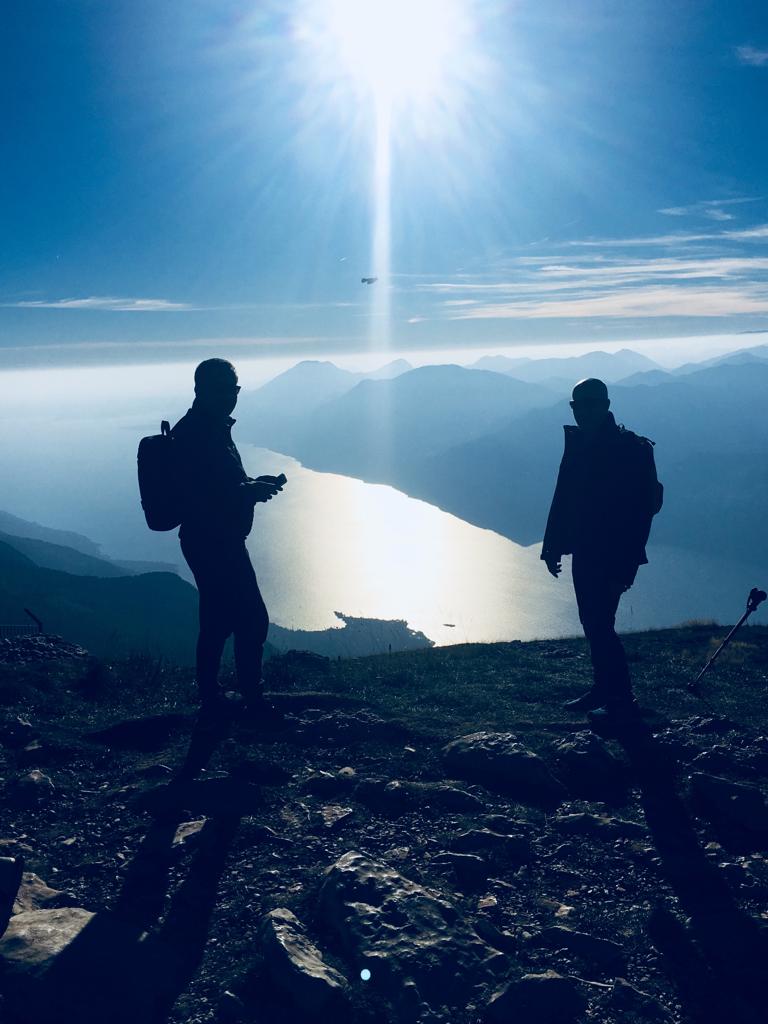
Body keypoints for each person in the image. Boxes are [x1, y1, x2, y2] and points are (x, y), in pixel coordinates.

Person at [541, 378, 662, 715]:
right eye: (577, 405)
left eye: (590, 404)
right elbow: (563, 499)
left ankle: (620, 698)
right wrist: (552, 547)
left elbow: (641, 515)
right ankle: (604, 689)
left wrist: (626, 568)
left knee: (600, 623)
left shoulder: (632, 449)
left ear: (606, 405)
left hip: (613, 556)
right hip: (585, 551)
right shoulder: (579, 444)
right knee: (592, 622)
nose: (582, 411)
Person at [172, 358, 284, 718]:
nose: (229, 397)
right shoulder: (196, 433)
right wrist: (247, 492)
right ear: (200, 390)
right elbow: (200, 495)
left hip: (213, 538)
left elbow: (222, 483)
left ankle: (213, 697)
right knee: (252, 618)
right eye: (220, 389)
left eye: (233, 389)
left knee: (217, 620)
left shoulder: (212, 428)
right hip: (213, 540)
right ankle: (252, 700)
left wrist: (253, 484)